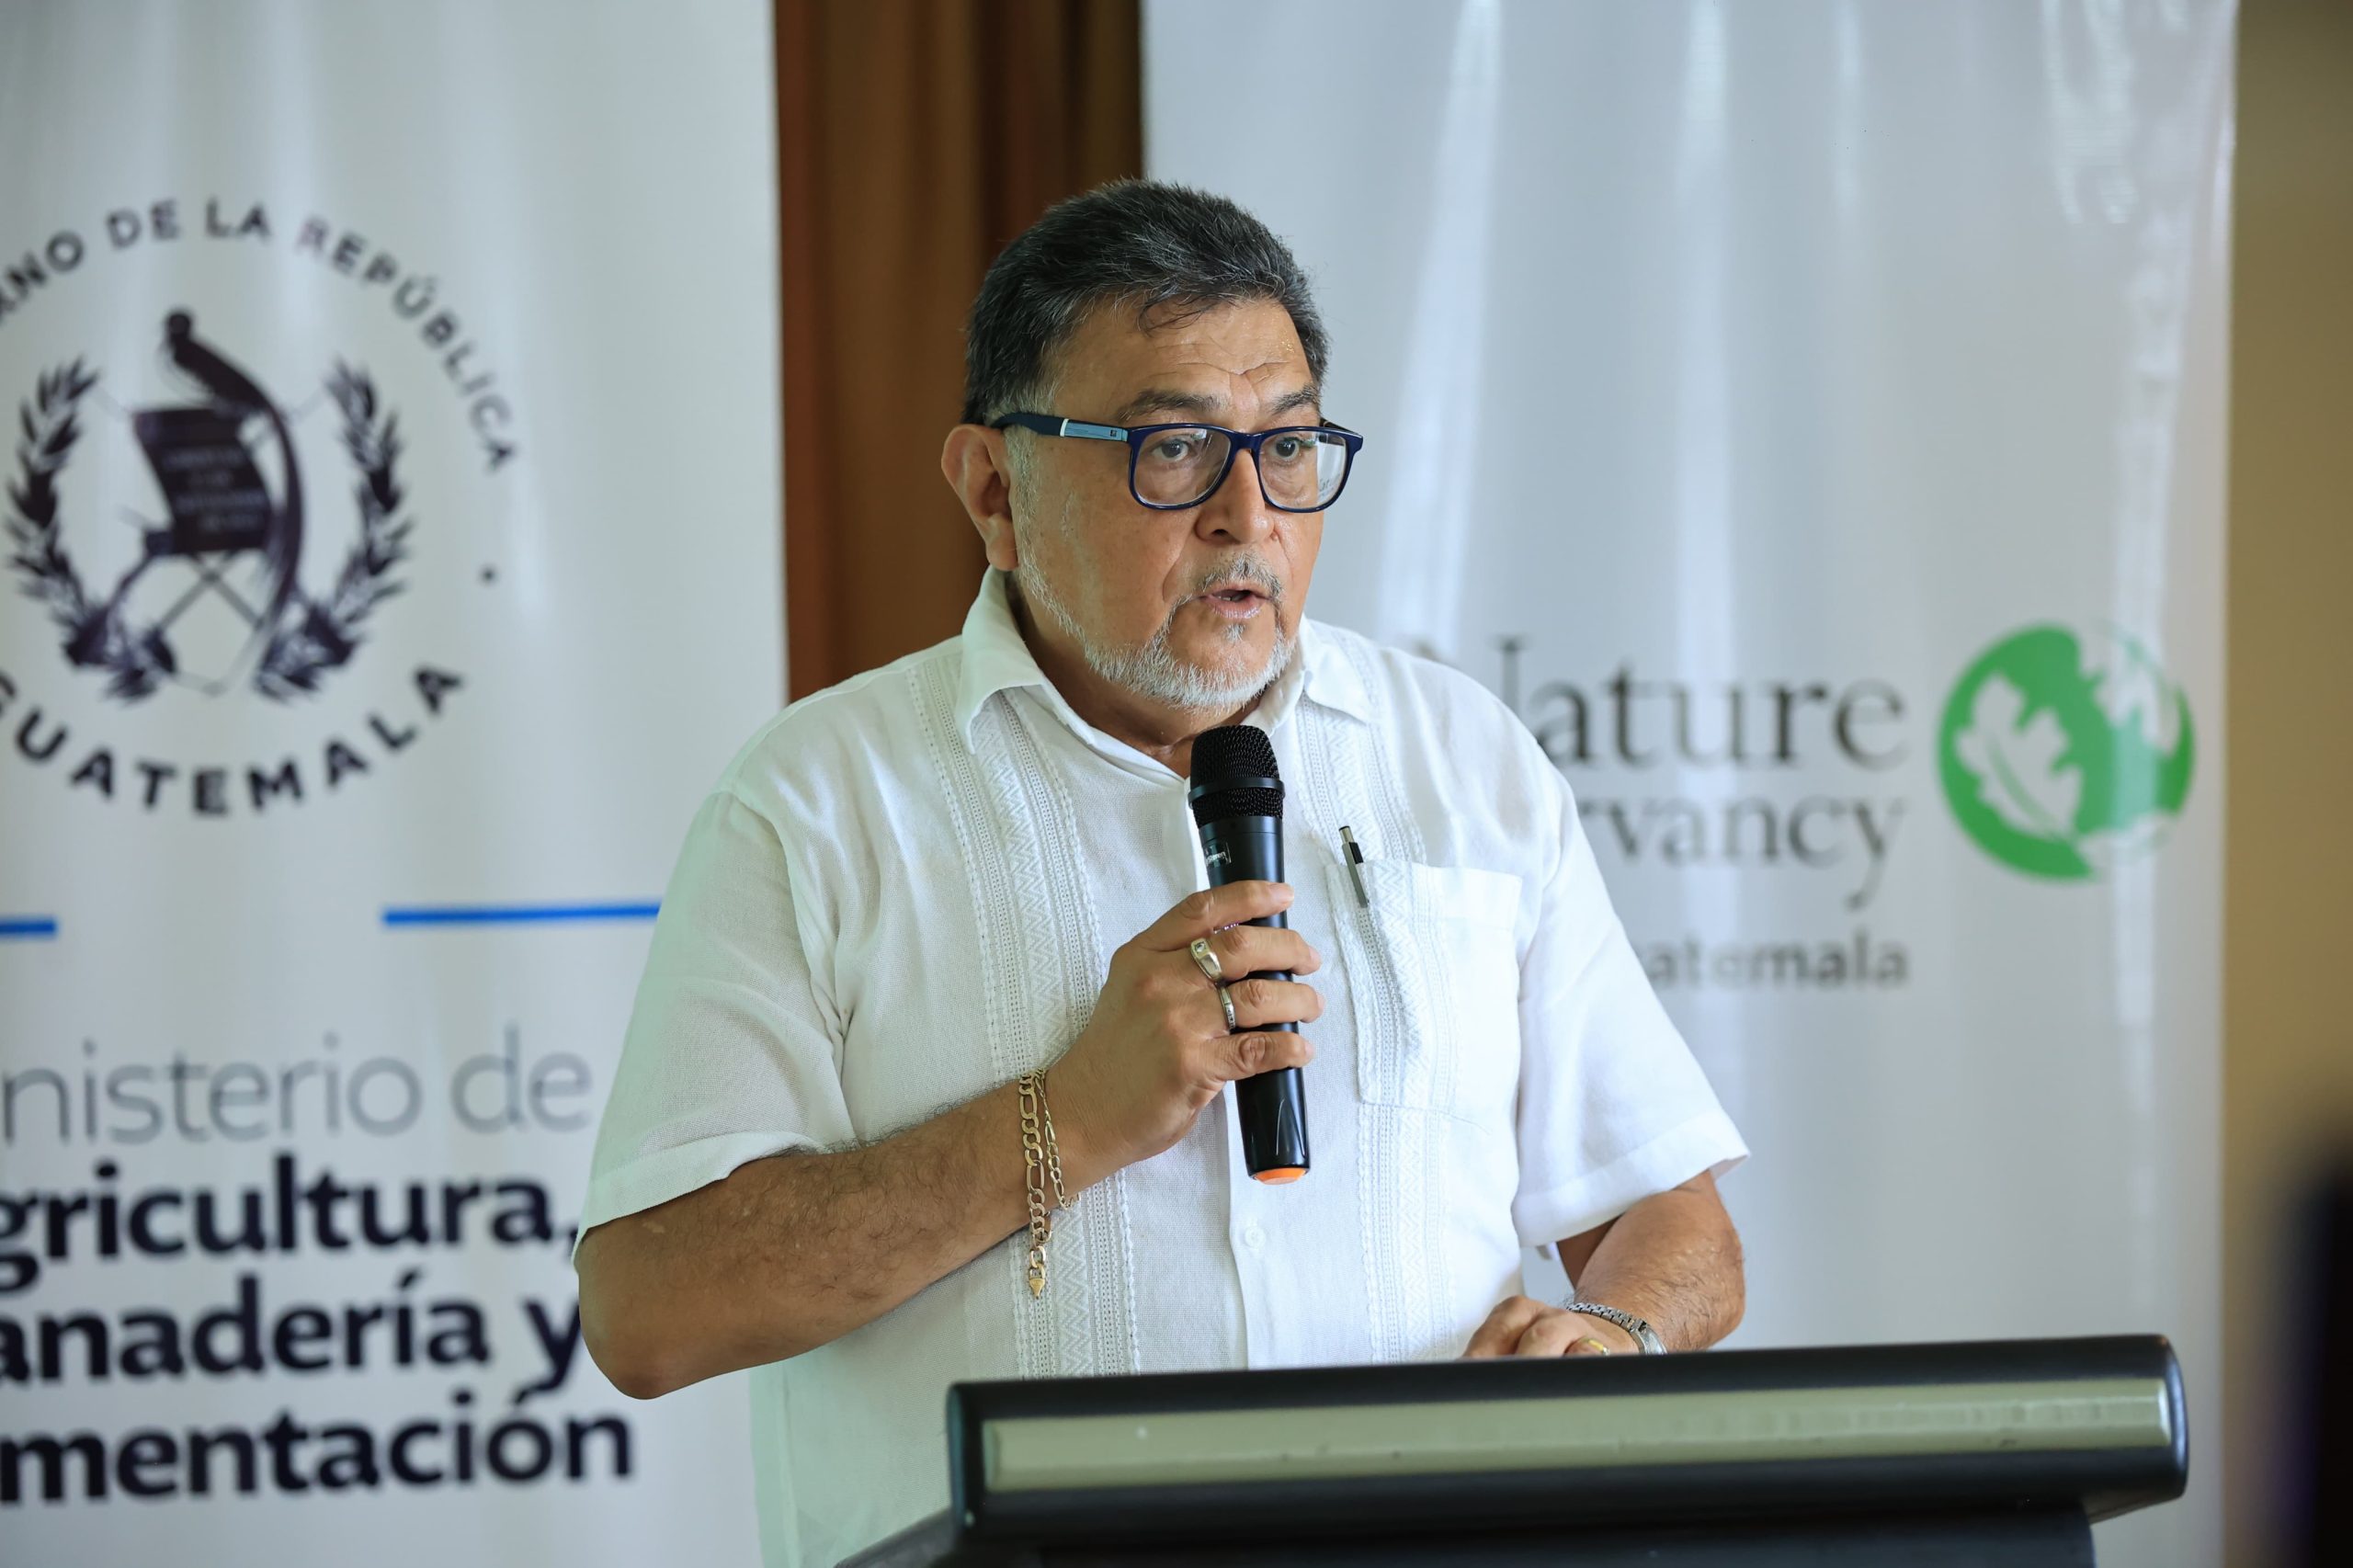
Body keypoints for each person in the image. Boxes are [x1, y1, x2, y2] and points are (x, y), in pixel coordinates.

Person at [574, 179, 1748, 1568]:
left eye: (1289, 445)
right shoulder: (818, 802)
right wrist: (1065, 1119)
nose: (1249, 515)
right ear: (995, 489)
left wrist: (1609, 1334)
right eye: (1175, 448)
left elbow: (1671, 1215)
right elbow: (652, 1308)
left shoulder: (1462, 758)